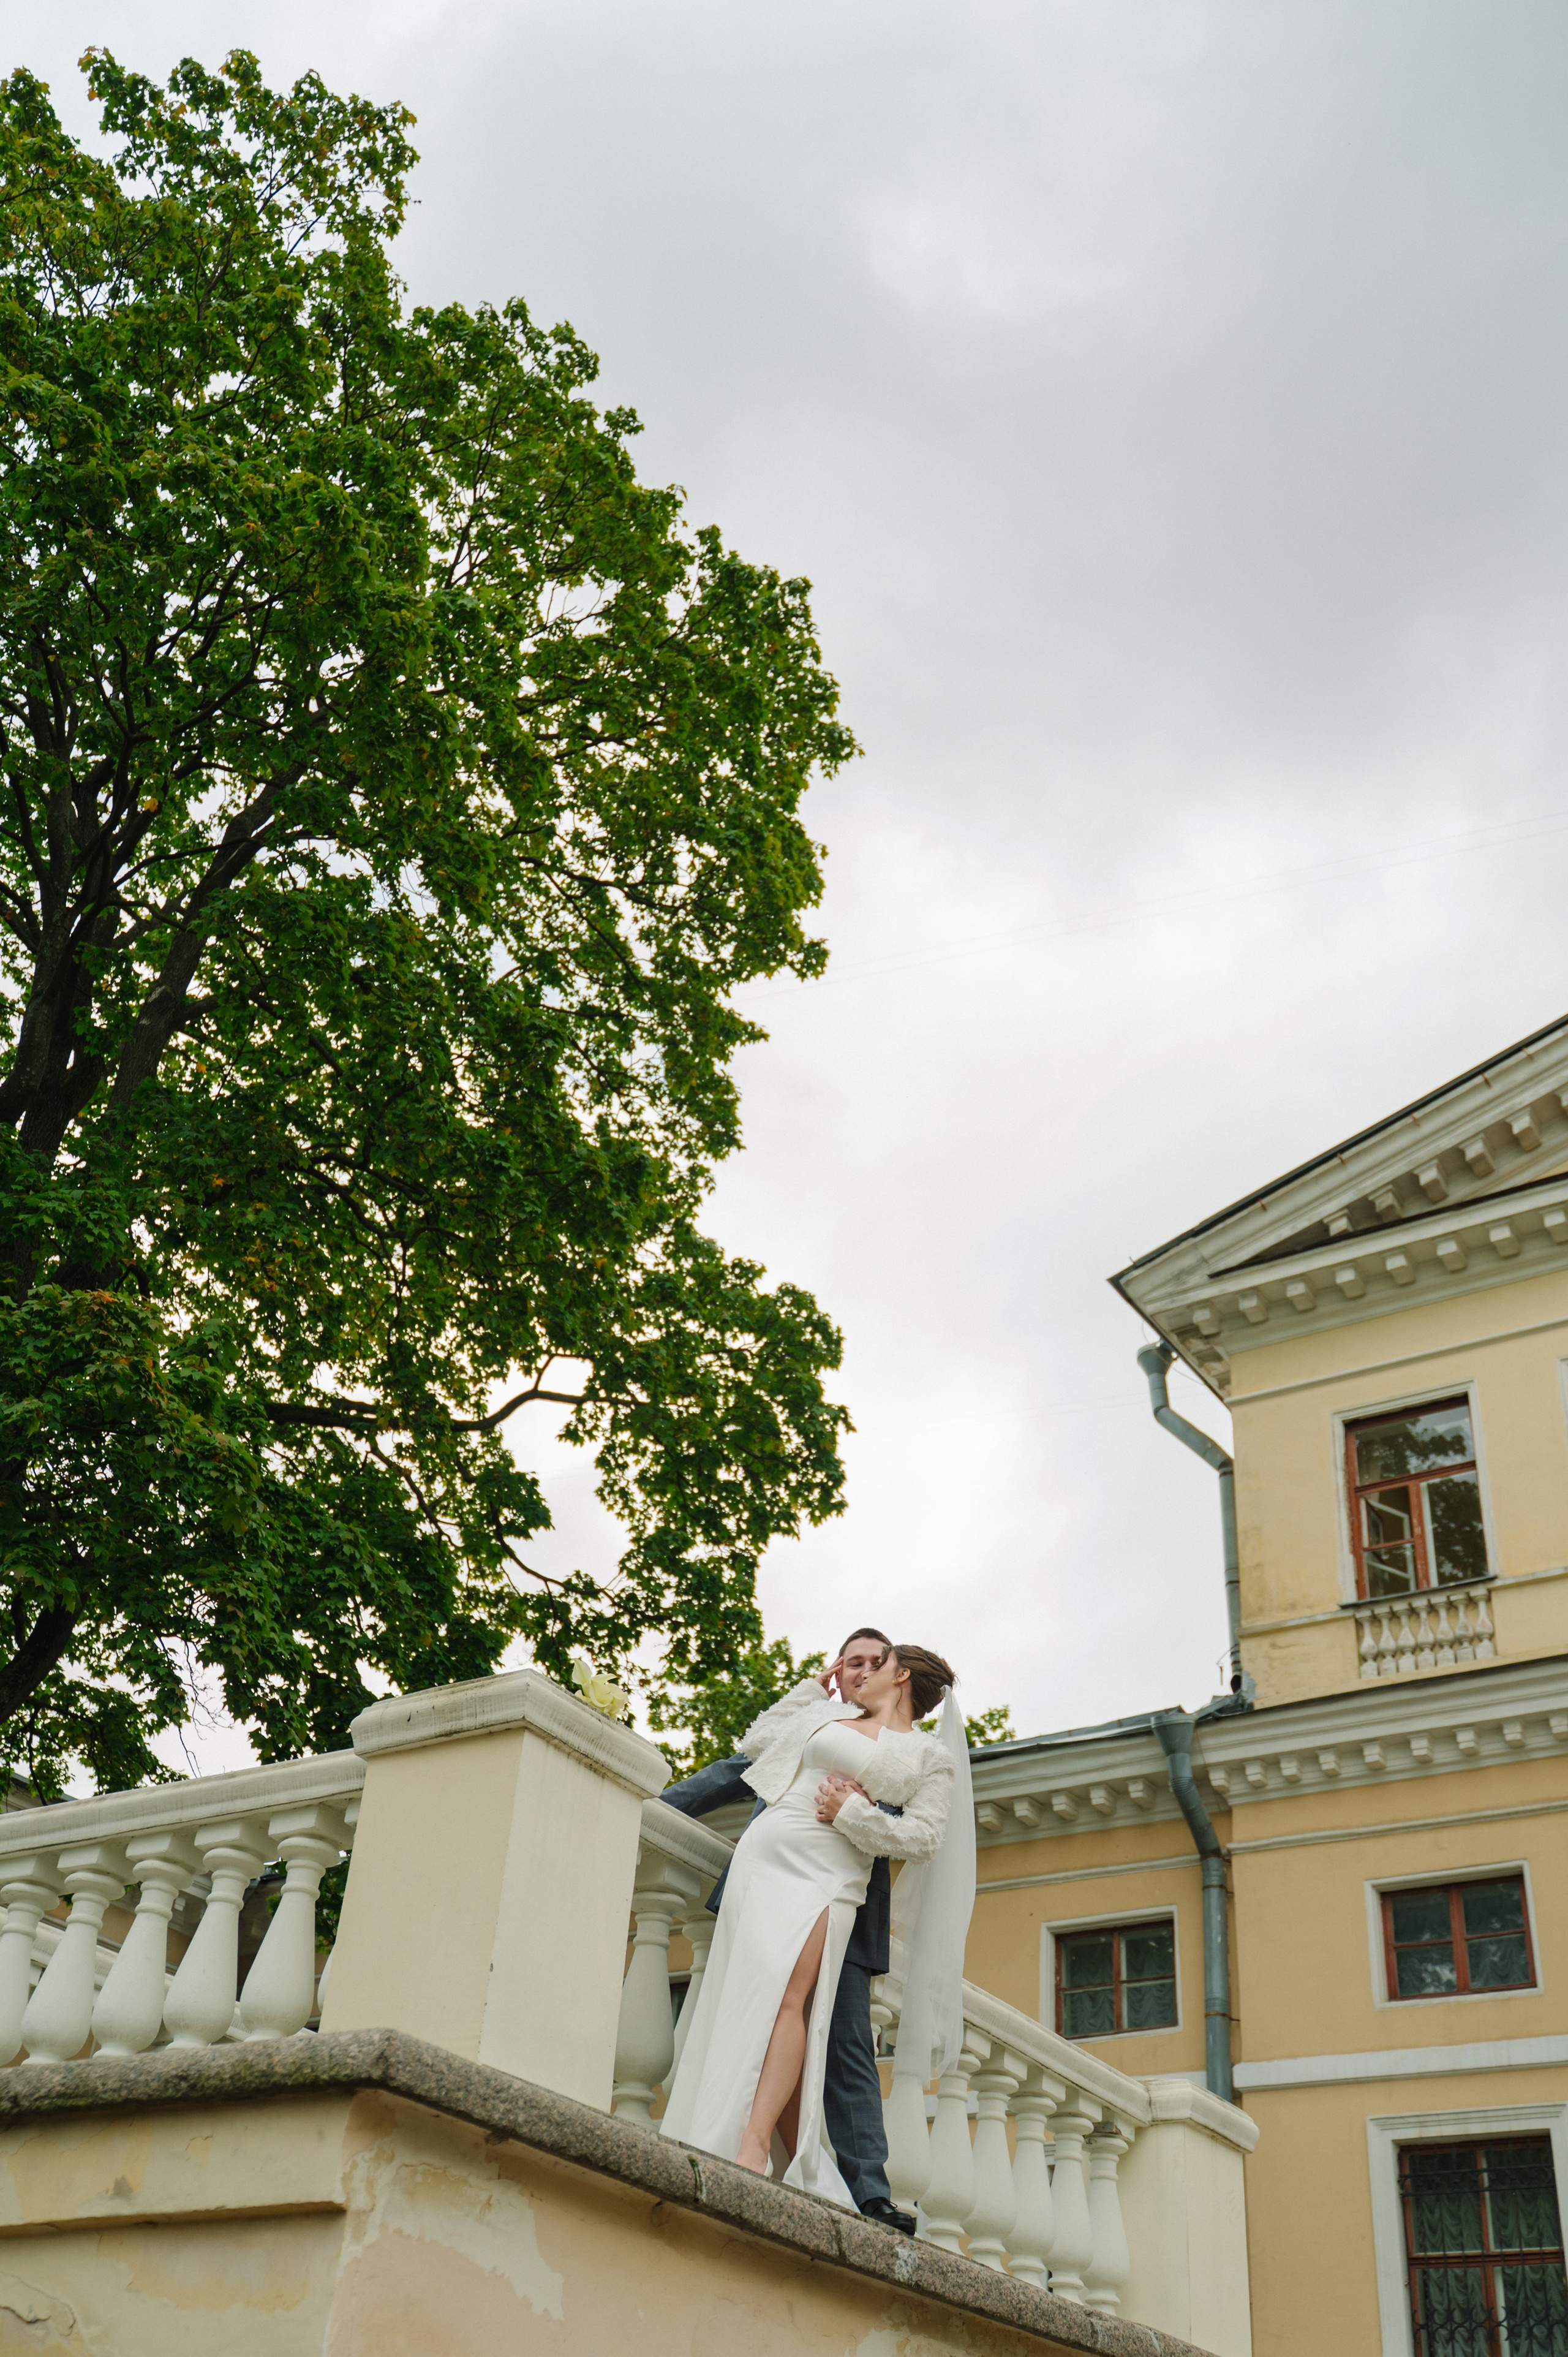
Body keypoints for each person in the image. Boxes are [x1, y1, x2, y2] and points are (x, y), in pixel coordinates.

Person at [658, 1636, 973, 2217]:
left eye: (878, 1664)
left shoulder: (930, 1756)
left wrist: (853, 1812)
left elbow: (925, 1838)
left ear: (899, 1677)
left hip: (829, 1873)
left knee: (792, 2001)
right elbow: (755, 1747)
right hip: (765, 1857)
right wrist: (811, 1688)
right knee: (749, 1996)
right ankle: (729, 2130)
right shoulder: (827, 1713)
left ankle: (753, 2147)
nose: (864, 1672)